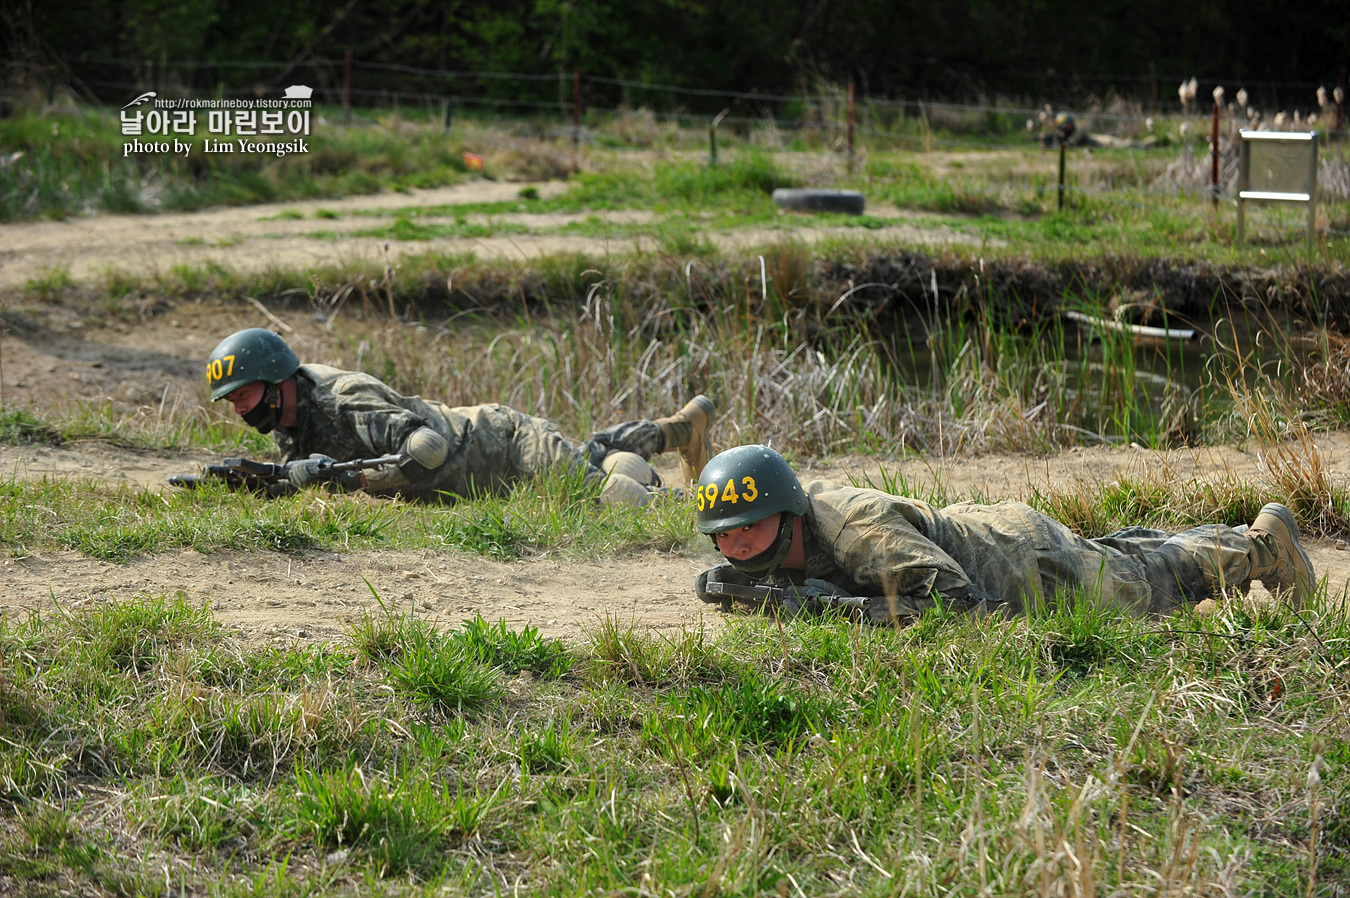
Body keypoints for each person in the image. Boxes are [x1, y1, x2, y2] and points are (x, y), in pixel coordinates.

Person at [693, 444, 1316, 622]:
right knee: (1118, 556)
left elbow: (959, 607)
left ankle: (1264, 544)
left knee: (1150, 586)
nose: (739, 543)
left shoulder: (859, 533)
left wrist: (842, 612)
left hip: (1026, 567)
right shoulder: (788, 529)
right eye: (725, 535)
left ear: (788, 512)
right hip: (997, 531)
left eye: (750, 526)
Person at [203, 328, 715, 506]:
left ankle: (694, 502)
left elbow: (427, 449)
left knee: (605, 497)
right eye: (233, 401)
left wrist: (353, 478)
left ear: (275, 379)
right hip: (483, 480)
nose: (241, 408)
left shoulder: (347, 401)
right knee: (594, 456)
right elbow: (309, 474)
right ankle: (682, 430)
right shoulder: (292, 423)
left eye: (244, 395)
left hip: (503, 443)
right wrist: (262, 482)